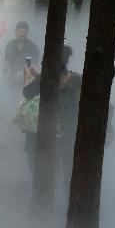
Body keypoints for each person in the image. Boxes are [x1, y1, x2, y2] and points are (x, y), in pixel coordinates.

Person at [19, 45, 82, 182]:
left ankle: (44, 197)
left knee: (43, 165)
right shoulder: (77, 79)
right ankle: (66, 198)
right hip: (69, 132)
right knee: (68, 169)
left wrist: (32, 77)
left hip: (46, 131)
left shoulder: (46, 78)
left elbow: (27, 93)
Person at [3, 21, 41, 95]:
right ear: (15, 32)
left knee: (23, 101)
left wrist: (21, 73)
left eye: (25, 32)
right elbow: (6, 60)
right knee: (12, 99)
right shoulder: (10, 45)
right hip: (12, 79)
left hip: (26, 81)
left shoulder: (32, 47)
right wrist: (5, 66)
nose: (23, 34)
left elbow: (32, 65)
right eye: (21, 31)